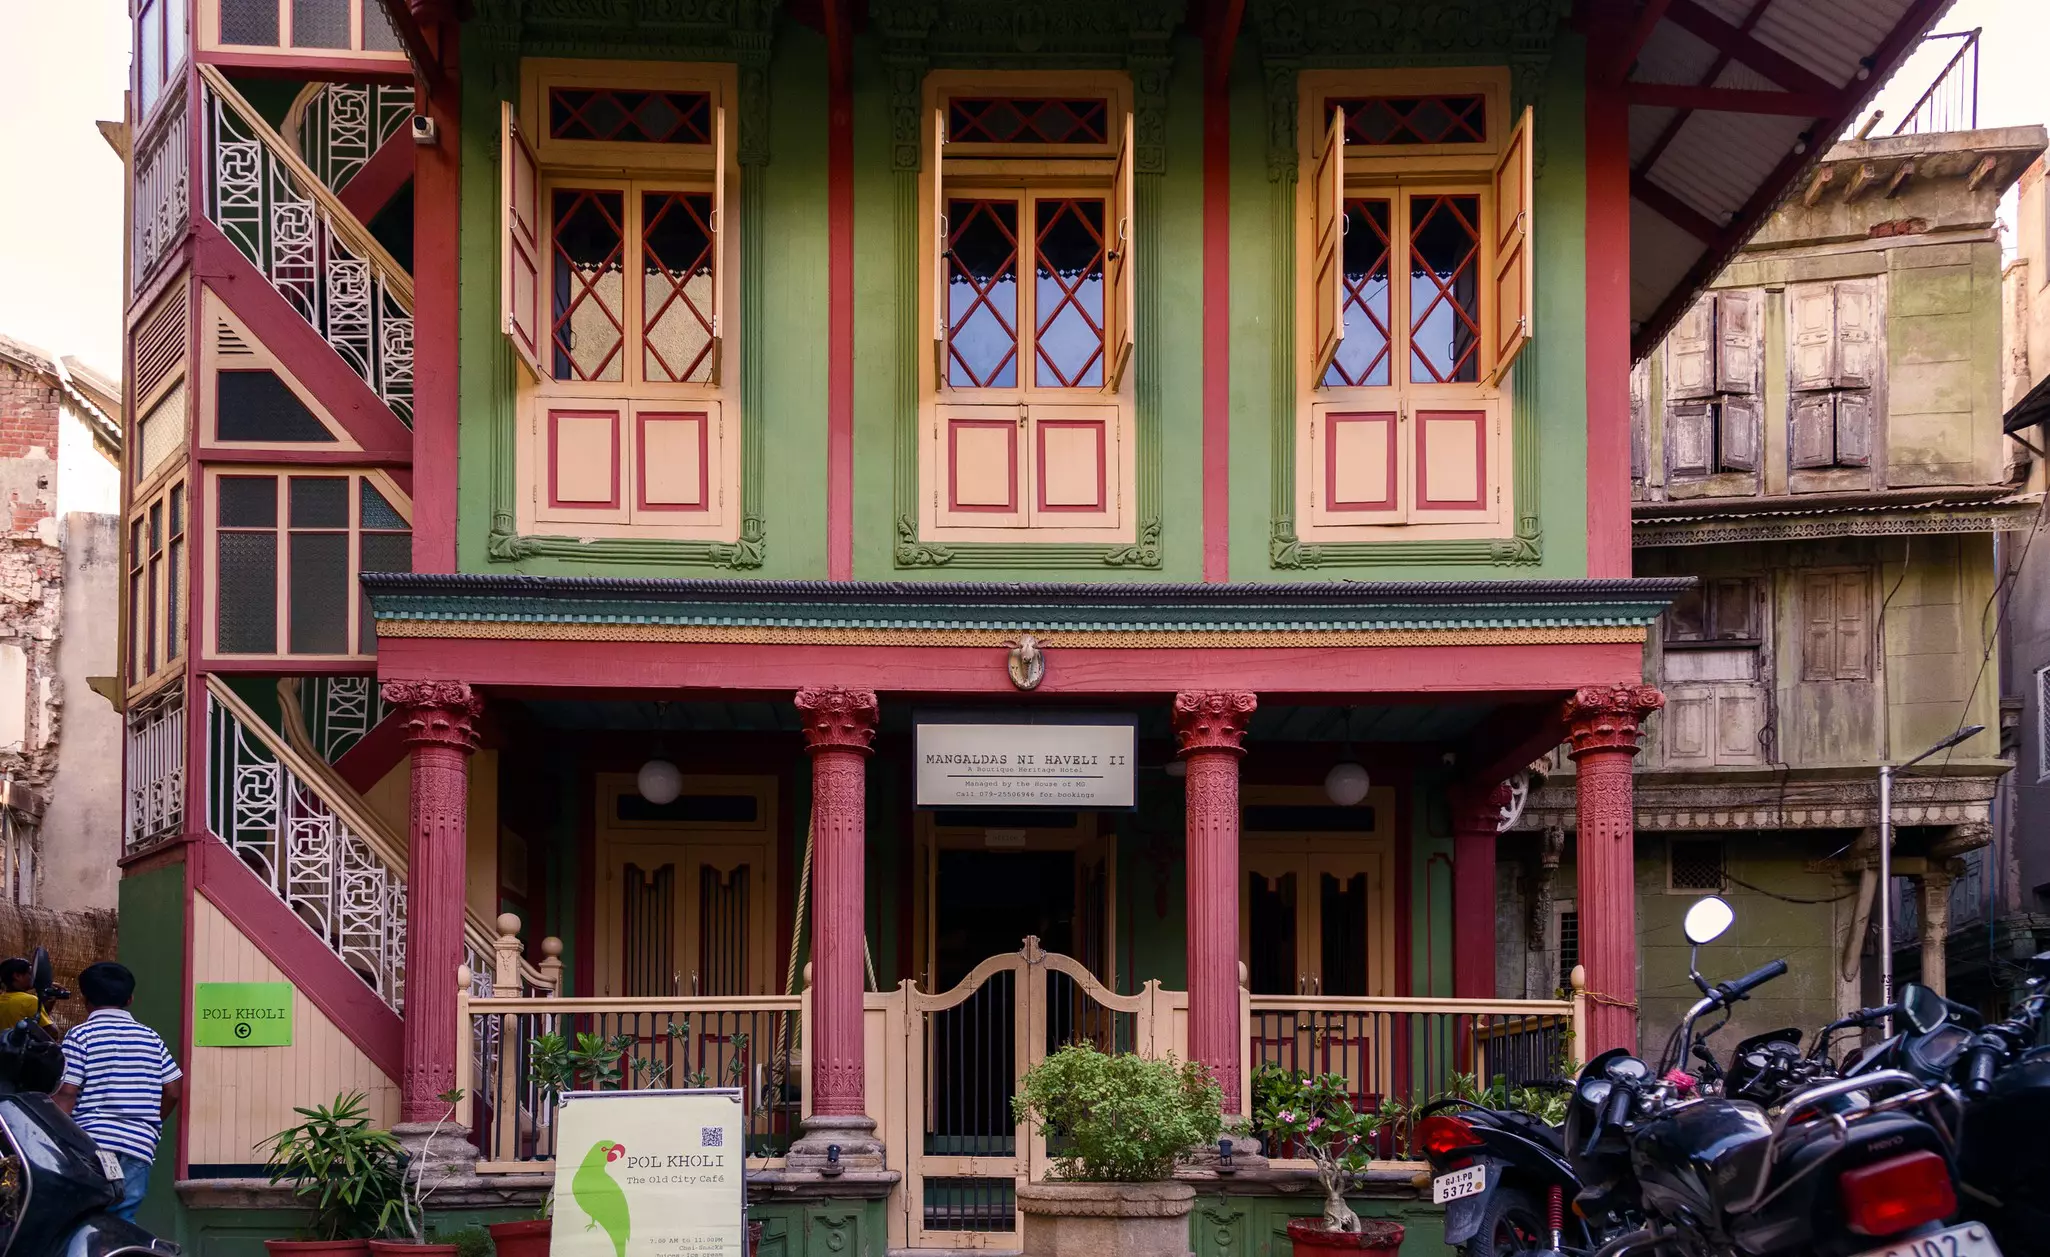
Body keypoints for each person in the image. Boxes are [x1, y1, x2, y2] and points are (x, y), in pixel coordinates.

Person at [53, 963, 182, 1223]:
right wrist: (150, 1123)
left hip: (92, 1144)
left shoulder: (80, 1036)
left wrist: (58, 1135)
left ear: (85, 999)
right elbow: (173, 1090)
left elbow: (67, 1092)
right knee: (122, 1220)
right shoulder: (151, 1037)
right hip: (139, 1145)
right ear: (130, 999)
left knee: (83, 1218)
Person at [0, 958, 50, 1031]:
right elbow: (52, 1033)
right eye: (29, 974)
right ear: (17, 976)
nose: (32, 978)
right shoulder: (29, 1000)